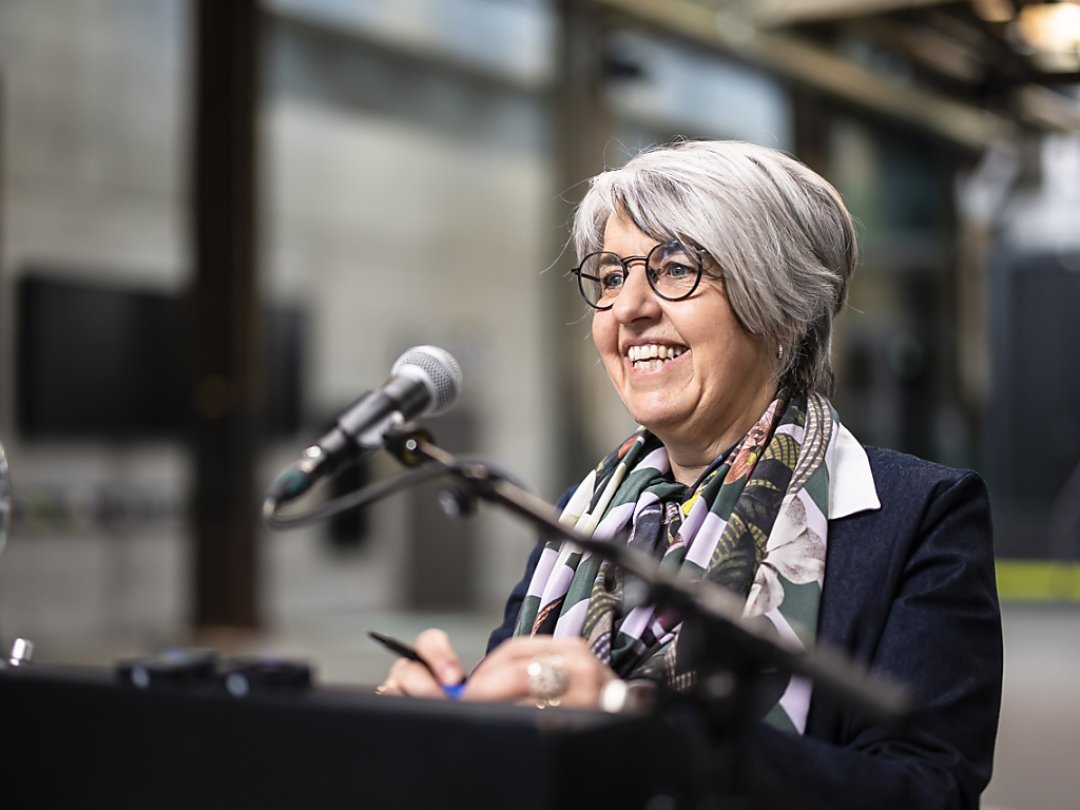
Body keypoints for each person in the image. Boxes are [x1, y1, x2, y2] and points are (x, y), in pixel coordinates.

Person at [376, 140, 1002, 809]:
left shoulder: (920, 515)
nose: (629, 308)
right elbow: (529, 733)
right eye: (612, 276)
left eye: (674, 269)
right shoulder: (578, 517)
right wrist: (449, 715)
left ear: (782, 306)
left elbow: (928, 793)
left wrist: (634, 721)